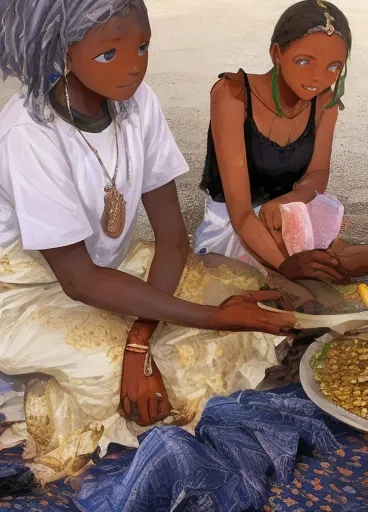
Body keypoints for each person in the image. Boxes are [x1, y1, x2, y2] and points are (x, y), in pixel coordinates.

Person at [0, 0, 301, 480]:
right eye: (109, 54)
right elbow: (76, 279)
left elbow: (172, 239)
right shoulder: (27, 131)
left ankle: (125, 368)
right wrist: (205, 319)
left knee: (233, 284)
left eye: (142, 47)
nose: (133, 67)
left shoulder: (139, 103)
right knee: (110, 365)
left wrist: (142, 337)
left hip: (112, 273)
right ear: (63, 48)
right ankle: (51, 395)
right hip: (31, 293)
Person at [195, 0, 368, 283]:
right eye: (304, 61)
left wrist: (289, 200)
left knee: (322, 269)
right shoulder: (232, 96)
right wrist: (287, 265)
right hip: (234, 223)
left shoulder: (324, 103)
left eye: (333, 66)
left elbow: (318, 174)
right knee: (310, 276)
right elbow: (242, 214)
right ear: (277, 53)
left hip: (288, 214)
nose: (318, 78)